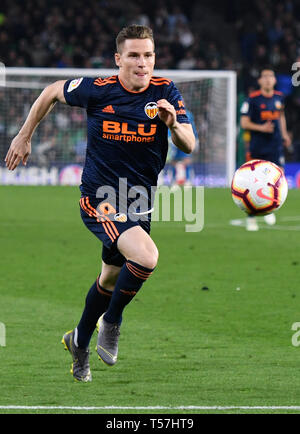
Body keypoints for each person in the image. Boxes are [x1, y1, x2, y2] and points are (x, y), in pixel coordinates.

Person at [5, 25, 195, 382]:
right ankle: (112, 320)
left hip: (140, 202)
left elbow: (189, 143)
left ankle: (78, 339)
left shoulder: (165, 91)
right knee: (146, 257)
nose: (143, 63)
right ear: (118, 59)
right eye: (135, 55)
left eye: (148, 55)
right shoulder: (97, 89)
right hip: (99, 199)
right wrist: (24, 135)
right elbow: (50, 92)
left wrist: (172, 124)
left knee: (110, 278)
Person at [240, 66, 292, 231]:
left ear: (275, 80)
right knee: (253, 182)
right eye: (265, 76)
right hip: (258, 145)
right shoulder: (253, 99)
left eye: (271, 76)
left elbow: (281, 116)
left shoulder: (279, 98)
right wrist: (262, 128)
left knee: (277, 179)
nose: (268, 79)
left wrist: (284, 134)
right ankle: (250, 217)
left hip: (275, 145)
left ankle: (269, 208)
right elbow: (244, 123)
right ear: (260, 80)